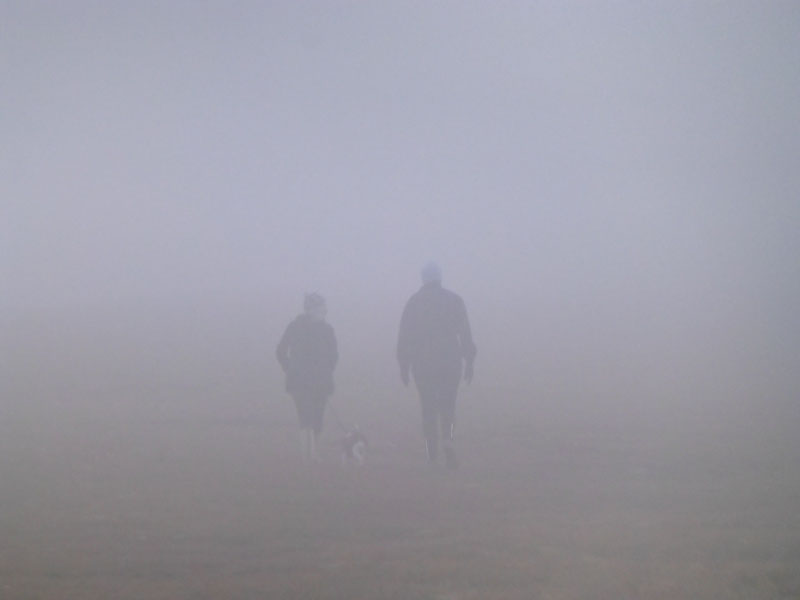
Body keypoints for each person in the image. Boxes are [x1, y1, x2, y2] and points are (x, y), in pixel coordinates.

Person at [397, 263, 476, 468]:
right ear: (440, 278)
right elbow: (465, 333)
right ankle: (448, 442)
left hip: (423, 364)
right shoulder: (454, 300)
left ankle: (431, 453)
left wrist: (403, 365)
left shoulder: (414, 303)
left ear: (423, 279)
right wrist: (470, 362)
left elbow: (405, 337)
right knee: (448, 406)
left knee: (428, 409)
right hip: (450, 362)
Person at [276, 293, 338, 463]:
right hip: (299, 382)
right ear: (310, 309)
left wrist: (326, 371)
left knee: (318, 418)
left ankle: (314, 454)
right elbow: (281, 351)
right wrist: (290, 368)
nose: (324, 310)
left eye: (324, 307)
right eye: (320, 307)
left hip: (321, 382)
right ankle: (307, 456)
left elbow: (334, 355)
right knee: (305, 417)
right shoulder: (294, 327)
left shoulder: (327, 330)